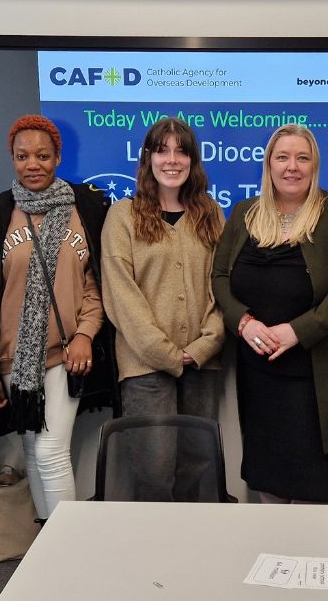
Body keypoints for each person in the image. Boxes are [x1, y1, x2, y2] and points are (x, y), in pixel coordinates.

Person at [211, 124, 328, 504]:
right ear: (268, 164)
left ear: (314, 165)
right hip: (259, 376)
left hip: (314, 379)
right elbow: (220, 276)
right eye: (282, 157)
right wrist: (243, 322)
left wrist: (296, 332)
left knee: (310, 488)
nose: (292, 167)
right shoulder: (244, 213)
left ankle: (310, 562)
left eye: (302, 158)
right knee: (266, 481)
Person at [0, 114, 112, 525]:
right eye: (22, 156)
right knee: (31, 450)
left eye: (43, 155)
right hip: (13, 358)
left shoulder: (88, 209)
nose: (33, 164)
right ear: (11, 158)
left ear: (58, 157)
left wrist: (84, 334)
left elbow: (98, 287)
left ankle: (70, 546)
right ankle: (50, 548)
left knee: (50, 453)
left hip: (64, 355)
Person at [101, 117, 225, 500]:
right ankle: (154, 555)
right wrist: (167, 353)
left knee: (195, 466)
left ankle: (188, 552)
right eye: (163, 150)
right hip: (146, 365)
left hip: (202, 363)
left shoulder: (212, 214)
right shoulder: (123, 215)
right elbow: (121, 296)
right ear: (148, 158)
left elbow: (224, 285)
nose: (172, 160)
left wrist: (205, 345)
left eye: (182, 151)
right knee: (154, 473)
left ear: (193, 161)